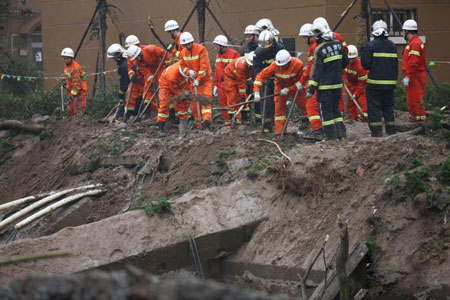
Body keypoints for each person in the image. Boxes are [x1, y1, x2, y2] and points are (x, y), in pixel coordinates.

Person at [307, 17, 348, 140]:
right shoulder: (339, 45)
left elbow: (316, 71)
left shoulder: (319, 49)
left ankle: (330, 138)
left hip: (324, 87)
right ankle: (341, 135)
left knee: (326, 113)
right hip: (337, 85)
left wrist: (311, 90)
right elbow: (345, 62)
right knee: (336, 111)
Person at [254, 50, 305, 136]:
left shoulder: (298, 64)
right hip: (280, 86)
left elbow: (302, 81)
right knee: (279, 108)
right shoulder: (274, 65)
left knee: (305, 105)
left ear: (289, 62)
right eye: (280, 65)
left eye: (284, 65)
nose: (282, 67)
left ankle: (309, 125)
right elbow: (260, 76)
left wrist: (289, 89)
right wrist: (256, 92)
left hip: (295, 86)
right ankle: (280, 132)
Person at [361, 20, 398, 137]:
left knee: (374, 108)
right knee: (388, 108)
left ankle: (376, 133)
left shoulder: (371, 45)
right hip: (390, 84)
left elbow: (365, 64)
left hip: (374, 84)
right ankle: (391, 131)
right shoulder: (392, 45)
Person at [127, 44, 172, 119]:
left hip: (160, 67)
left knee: (164, 88)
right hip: (151, 71)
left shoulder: (151, 49)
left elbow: (164, 54)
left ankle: (170, 112)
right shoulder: (138, 62)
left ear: (140, 53)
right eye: (135, 59)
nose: (137, 59)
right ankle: (146, 112)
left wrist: (168, 65)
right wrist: (153, 82)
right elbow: (146, 73)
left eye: (137, 57)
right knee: (147, 91)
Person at [179, 32, 213, 128]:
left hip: (205, 80)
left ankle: (206, 120)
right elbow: (182, 66)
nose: (188, 46)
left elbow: (204, 67)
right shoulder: (183, 53)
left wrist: (199, 79)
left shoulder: (201, 49)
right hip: (193, 81)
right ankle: (198, 124)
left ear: (192, 41)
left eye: (189, 43)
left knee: (205, 99)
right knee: (194, 103)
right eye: (185, 45)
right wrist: (188, 71)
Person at [253, 29, 285, 132]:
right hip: (265, 79)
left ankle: (280, 125)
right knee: (266, 102)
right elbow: (257, 68)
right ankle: (267, 125)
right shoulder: (258, 52)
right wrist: (262, 80)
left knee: (279, 102)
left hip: (278, 78)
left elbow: (283, 63)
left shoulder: (279, 48)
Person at [298, 23, 323, 139]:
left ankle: (317, 130)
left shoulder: (314, 48)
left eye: (304, 37)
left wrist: (301, 82)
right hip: (326, 81)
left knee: (311, 105)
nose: (304, 40)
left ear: (311, 36)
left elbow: (310, 69)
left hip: (317, 82)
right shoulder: (322, 44)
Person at [401, 19, 427, 123]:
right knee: (414, 100)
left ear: (407, 31)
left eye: (403, 31)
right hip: (415, 76)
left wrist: (407, 76)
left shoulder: (414, 44)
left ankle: (417, 123)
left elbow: (413, 62)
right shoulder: (415, 42)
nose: (402, 33)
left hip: (415, 76)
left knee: (414, 100)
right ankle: (417, 122)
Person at [157, 61, 191, 135]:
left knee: (182, 104)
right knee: (164, 104)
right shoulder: (172, 75)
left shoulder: (186, 65)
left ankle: (183, 124)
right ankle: (161, 127)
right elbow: (174, 90)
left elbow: (187, 85)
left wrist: (187, 96)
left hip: (179, 84)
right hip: (165, 85)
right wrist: (182, 95)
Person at [213, 35, 240, 126]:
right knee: (223, 106)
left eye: (217, 46)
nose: (215, 48)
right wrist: (215, 85)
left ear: (222, 46)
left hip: (231, 84)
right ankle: (228, 124)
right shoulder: (218, 55)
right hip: (221, 84)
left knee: (234, 104)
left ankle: (237, 123)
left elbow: (238, 69)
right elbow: (217, 71)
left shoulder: (234, 54)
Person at [224, 51, 254, 125]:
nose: (250, 67)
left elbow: (254, 77)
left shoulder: (254, 65)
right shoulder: (241, 66)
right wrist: (242, 95)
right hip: (230, 78)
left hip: (240, 79)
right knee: (232, 97)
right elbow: (241, 82)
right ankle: (233, 120)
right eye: (249, 65)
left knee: (244, 98)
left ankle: (244, 119)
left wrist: (254, 89)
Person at [343, 45, 368, 120]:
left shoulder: (360, 66)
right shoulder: (345, 63)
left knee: (362, 103)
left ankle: (363, 120)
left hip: (361, 86)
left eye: (352, 59)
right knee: (350, 105)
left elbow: (362, 83)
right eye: (349, 59)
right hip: (351, 84)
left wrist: (356, 94)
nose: (350, 61)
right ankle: (352, 120)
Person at [61, 47, 87, 117]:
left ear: (71, 58)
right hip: (72, 90)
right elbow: (69, 77)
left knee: (80, 108)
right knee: (72, 108)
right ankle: (72, 122)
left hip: (80, 90)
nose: (65, 60)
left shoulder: (75, 68)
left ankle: (81, 122)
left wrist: (71, 95)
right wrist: (66, 83)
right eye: (64, 58)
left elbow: (77, 85)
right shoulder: (66, 65)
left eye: (67, 58)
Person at [107, 43, 130, 120]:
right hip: (134, 88)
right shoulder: (127, 60)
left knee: (124, 107)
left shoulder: (123, 66)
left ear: (117, 55)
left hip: (132, 89)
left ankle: (120, 118)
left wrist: (121, 95)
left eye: (114, 58)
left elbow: (124, 82)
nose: (114, 59)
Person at [125, 35, 145, 116]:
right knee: (130, 92)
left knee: (149, 97)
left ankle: (150, 113)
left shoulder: (145, 50)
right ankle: (128, 114)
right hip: (136, 80)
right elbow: (129, 68)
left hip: (146, 79)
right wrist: (132, 75)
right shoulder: (129, 54)